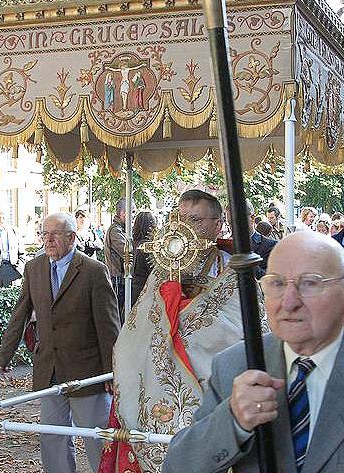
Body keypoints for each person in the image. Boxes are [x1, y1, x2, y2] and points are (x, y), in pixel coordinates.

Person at [163, 231, 344, 473]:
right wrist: (233, 420)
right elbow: (178, 466)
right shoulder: (237, 365)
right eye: (276, 283)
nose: (289, 302)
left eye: (310, 283)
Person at [102, 190, 251, 473]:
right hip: (155, 386)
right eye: (178, 219)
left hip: (212, 389)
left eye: (195, 220)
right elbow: (138, 331)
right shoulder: (160, 274)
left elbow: (245, 331)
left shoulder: (234, 272)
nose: (184, 228)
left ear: (218, 225)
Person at [0, 212, 120, 473]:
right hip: (48, 370)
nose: (48, 239)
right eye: (44, 234)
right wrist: (5, 355)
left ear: (72, 237)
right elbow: (20, 312)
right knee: (52, 437)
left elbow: (109, 326)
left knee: (96, 439)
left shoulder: (94, 272)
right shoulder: (34, 268)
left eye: (55, 234)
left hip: (87, 373)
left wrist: (113, 371)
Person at [104, 197, 129, 319]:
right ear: (122, 213)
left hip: (120, 278)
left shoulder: (121, 229)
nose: (133, 216)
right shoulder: (115, 230)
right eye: (132, 212)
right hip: (117, 278)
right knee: (118, 313)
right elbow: (127, 253)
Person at [0, 207, 23, 288]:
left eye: (3, 214)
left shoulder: (14, 230)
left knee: (12, 298)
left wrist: (19, 269)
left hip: (12, 269)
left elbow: (21, 253)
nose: (1, 216)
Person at [130, 211, 156, 306]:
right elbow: (154, 271)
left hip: (133, 287)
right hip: (144, 289)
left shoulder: (133, 243)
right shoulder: (147, 246)